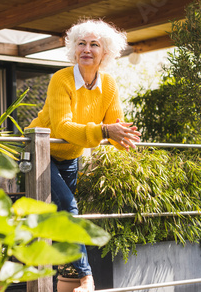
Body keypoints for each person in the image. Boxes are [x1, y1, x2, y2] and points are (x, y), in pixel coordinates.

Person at [26, 19, 141, 292]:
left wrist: (123, 138)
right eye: (81, 44)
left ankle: (68, 281)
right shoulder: (61, 79)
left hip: (70, 157)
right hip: (41, 151)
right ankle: (87, 278)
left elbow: (113, 125)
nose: (86, 49)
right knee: (68, 207)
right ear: (73, 50)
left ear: (105, 53)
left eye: (94, 44)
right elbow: (64, 127)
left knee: (62, 219)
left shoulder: (109, 85)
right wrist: (105, 131)